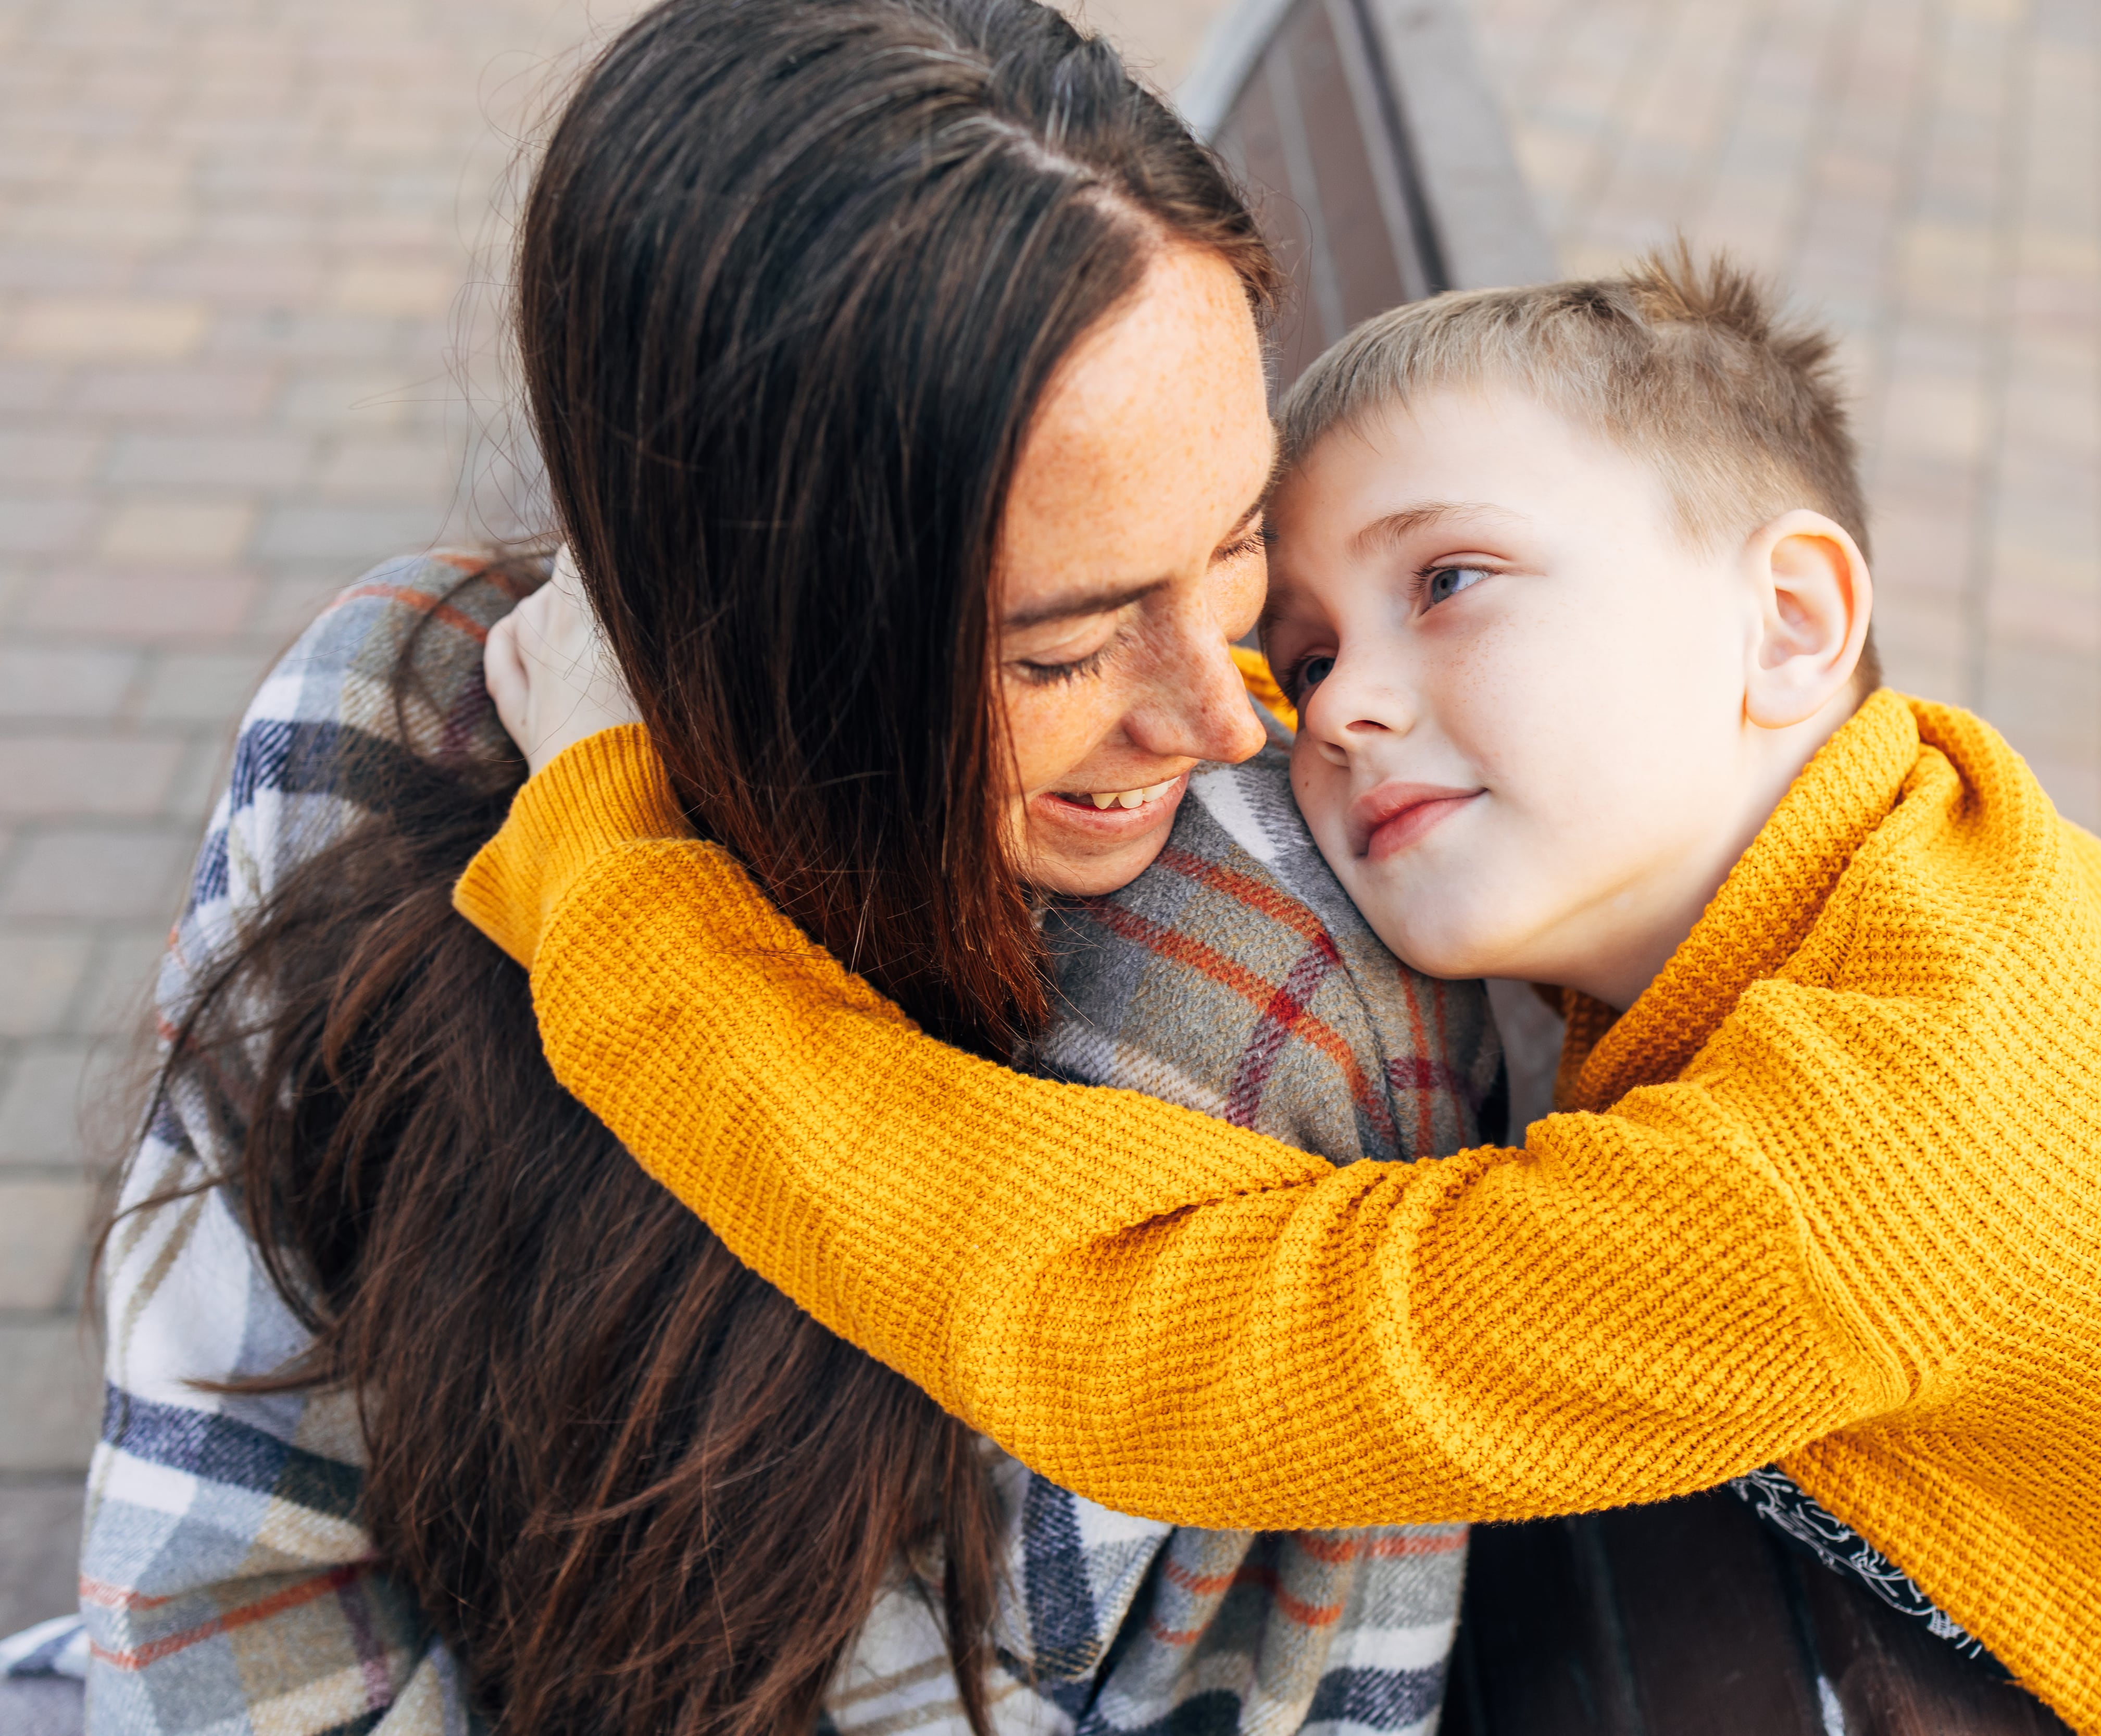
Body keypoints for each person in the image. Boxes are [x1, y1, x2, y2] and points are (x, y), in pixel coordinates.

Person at [466, 252, 2101, 1735]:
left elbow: (1154, 1335)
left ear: (1788, 624)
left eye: (1452, 580)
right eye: (1300, 647)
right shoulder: (1930, 885)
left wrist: (610, 870)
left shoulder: (1869, 1152)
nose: (1326, 715)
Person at [64, 3, 1489, 1733]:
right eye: (1055, 654)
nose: (1220, 719)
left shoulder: (1272, 989)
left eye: (1239, 538)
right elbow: (226, 1561)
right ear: (750, 618)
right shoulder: (412, 706)